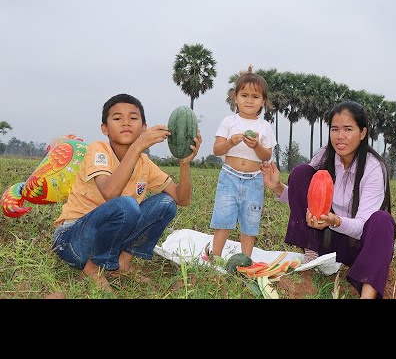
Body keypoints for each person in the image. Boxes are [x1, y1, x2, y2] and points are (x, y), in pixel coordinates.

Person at [51, 93, 202, 292]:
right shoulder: (99, 150)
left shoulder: (145, 164)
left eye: (133, 118)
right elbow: (110, 193)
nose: (125, 123)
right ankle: (92, 269)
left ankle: (122, 263)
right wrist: (138, 145)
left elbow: (181, 199)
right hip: (72, 240)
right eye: (117, 118)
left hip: (108, 241)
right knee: (126, 205)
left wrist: (184, 163)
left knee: (165, 203)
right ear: (104, 128)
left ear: (144, 127)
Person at [261, 100, 396, 299]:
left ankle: (367, 295)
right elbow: (305, 198)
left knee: (383, 221)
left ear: (362, 133)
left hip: (359, 248)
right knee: (300, 173)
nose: (340, 136)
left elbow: (362, 226)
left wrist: (336, 220)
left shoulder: (373, 167)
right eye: (335, 129)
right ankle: (311, 252)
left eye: (348, 129)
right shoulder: (325, 156)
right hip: (328, 241)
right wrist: (278, 187)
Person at [206, 66, 277, 261]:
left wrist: (256, 146)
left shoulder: (264, 126)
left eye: (255, 97)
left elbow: (266, 156)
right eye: (244, 95)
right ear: (235, 98)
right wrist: (230, 142)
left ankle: (245, 259)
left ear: (263, 101)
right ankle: (216, 257)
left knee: (250, 221)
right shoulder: (229, 121)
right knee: (223, 218)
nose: (249, 100)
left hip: (254, 181)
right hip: (229, 177)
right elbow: (217, 149)